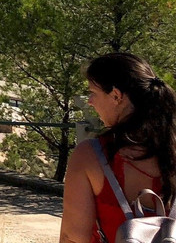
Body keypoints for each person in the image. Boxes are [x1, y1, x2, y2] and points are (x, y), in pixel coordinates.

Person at [60, 53, 176, 243]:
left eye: (93, 93)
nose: (90, 101)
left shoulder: (90, 156)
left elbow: (73, 237)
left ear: (116, 95)